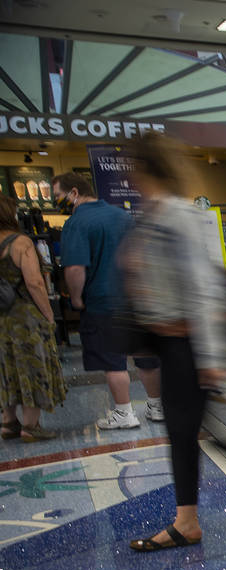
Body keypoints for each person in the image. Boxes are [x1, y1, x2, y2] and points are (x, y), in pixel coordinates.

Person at [118, 134, 226, 551]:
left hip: (188, 345)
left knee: (190, 432)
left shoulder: (177, 215)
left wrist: (211, 357)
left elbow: (202, 286)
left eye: (133, 163)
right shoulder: (153, 214)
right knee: (188, 432)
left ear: (146, 166)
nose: (128, 171)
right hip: (170, 345)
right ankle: (187, 520)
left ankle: (189, 521)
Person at [53, 172, 163, 431]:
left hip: (102, 301)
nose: (56, 201)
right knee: (146, 355)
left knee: (113, 360)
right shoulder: (121, 216)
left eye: (58, 196)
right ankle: (157, 407)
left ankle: (124, 412)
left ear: (74, 193)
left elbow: (75, 269)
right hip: (134, 298)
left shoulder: (76, 223)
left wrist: (77, 298)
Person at [0, 194, 66, 442]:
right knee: (31, 367)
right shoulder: (20, 243)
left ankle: (8, 423)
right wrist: (48, 315)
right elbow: (35, 283)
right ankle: (31, 425)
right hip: (24, 317)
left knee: (5, 368)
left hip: (1, 319)